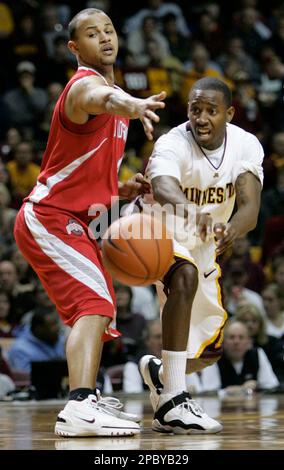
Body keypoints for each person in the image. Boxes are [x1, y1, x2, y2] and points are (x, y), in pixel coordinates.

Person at [13, 8, 166, 437]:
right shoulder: (84, 88)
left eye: (109, 30)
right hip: (49, 217)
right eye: (92, 34)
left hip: (73, 219)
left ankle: (89, 397)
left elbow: (85, 180)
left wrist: (123, 192)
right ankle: (79, 404)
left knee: (98, 307)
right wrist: (133, 103)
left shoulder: (111, 99)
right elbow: (105, 99)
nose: (105, 39)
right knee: (95, 304)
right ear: (74, 47)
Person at [138, 77, 264, 434]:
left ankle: (161, 375)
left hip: (204, 243)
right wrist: (193, 212)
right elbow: (163, 188)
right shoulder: (171, 142)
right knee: (185, 275)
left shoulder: (246, 144)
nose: (202, 118)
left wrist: (231, 230)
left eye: (211, 111)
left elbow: (250, 206)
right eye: (196, 109)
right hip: (157, 232)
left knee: (207, 354)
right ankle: (174, 399)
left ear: (229, 113)